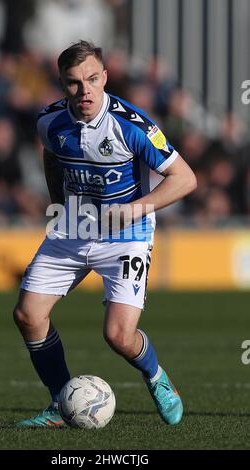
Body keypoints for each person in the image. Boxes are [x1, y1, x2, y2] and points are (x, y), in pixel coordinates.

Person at [13, 40, 197, 427]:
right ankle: (61, 403)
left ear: (106, 77)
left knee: (118, 336)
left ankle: (157, 377)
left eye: (93, 79)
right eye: (74, 83)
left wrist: (133, 209)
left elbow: (185, 179)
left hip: (127, 233)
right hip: (73, 227)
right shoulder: (50, 121)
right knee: (28, 315)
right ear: (62, 84)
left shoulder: (133, 125)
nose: (85, 91)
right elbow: (51, 154)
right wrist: (57, 202)